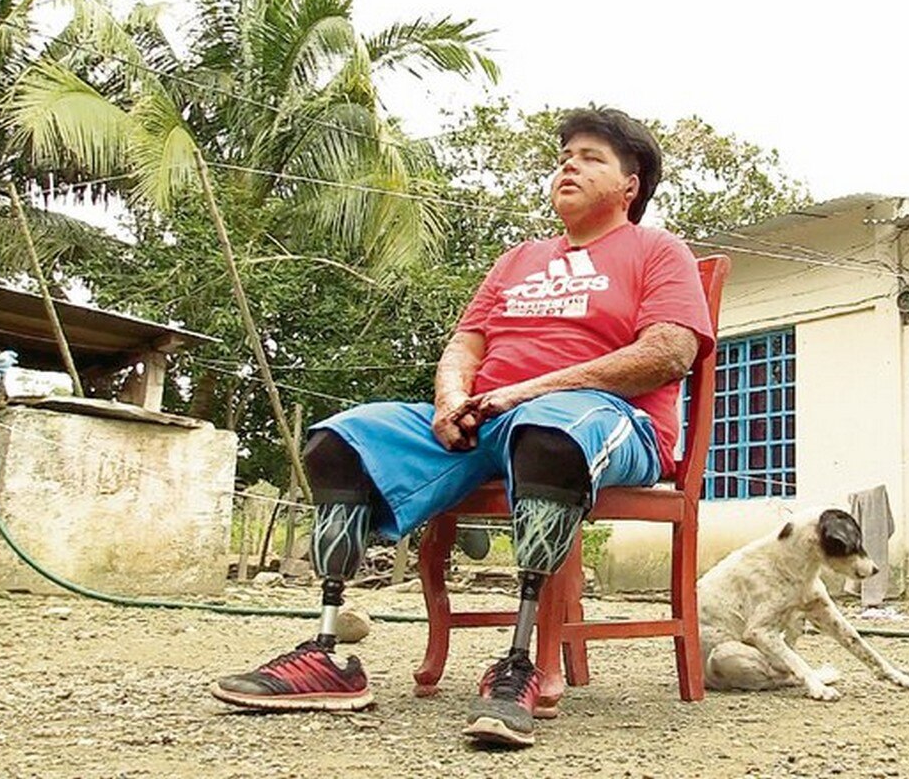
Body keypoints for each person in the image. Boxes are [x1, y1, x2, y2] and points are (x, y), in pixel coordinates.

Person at [210, 107, 715, 747]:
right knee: (341, 439)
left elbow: (669, 351)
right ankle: (328, 652)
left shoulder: (656, 249)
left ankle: (518, 668)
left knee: (546, 435)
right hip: (486, 419)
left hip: (607, 420)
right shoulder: (519, 259)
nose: (569, 164)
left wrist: (523, 393)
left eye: (592, 157)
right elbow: (466, 342)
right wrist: (452, 399)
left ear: (630, 185)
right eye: (565, 154)